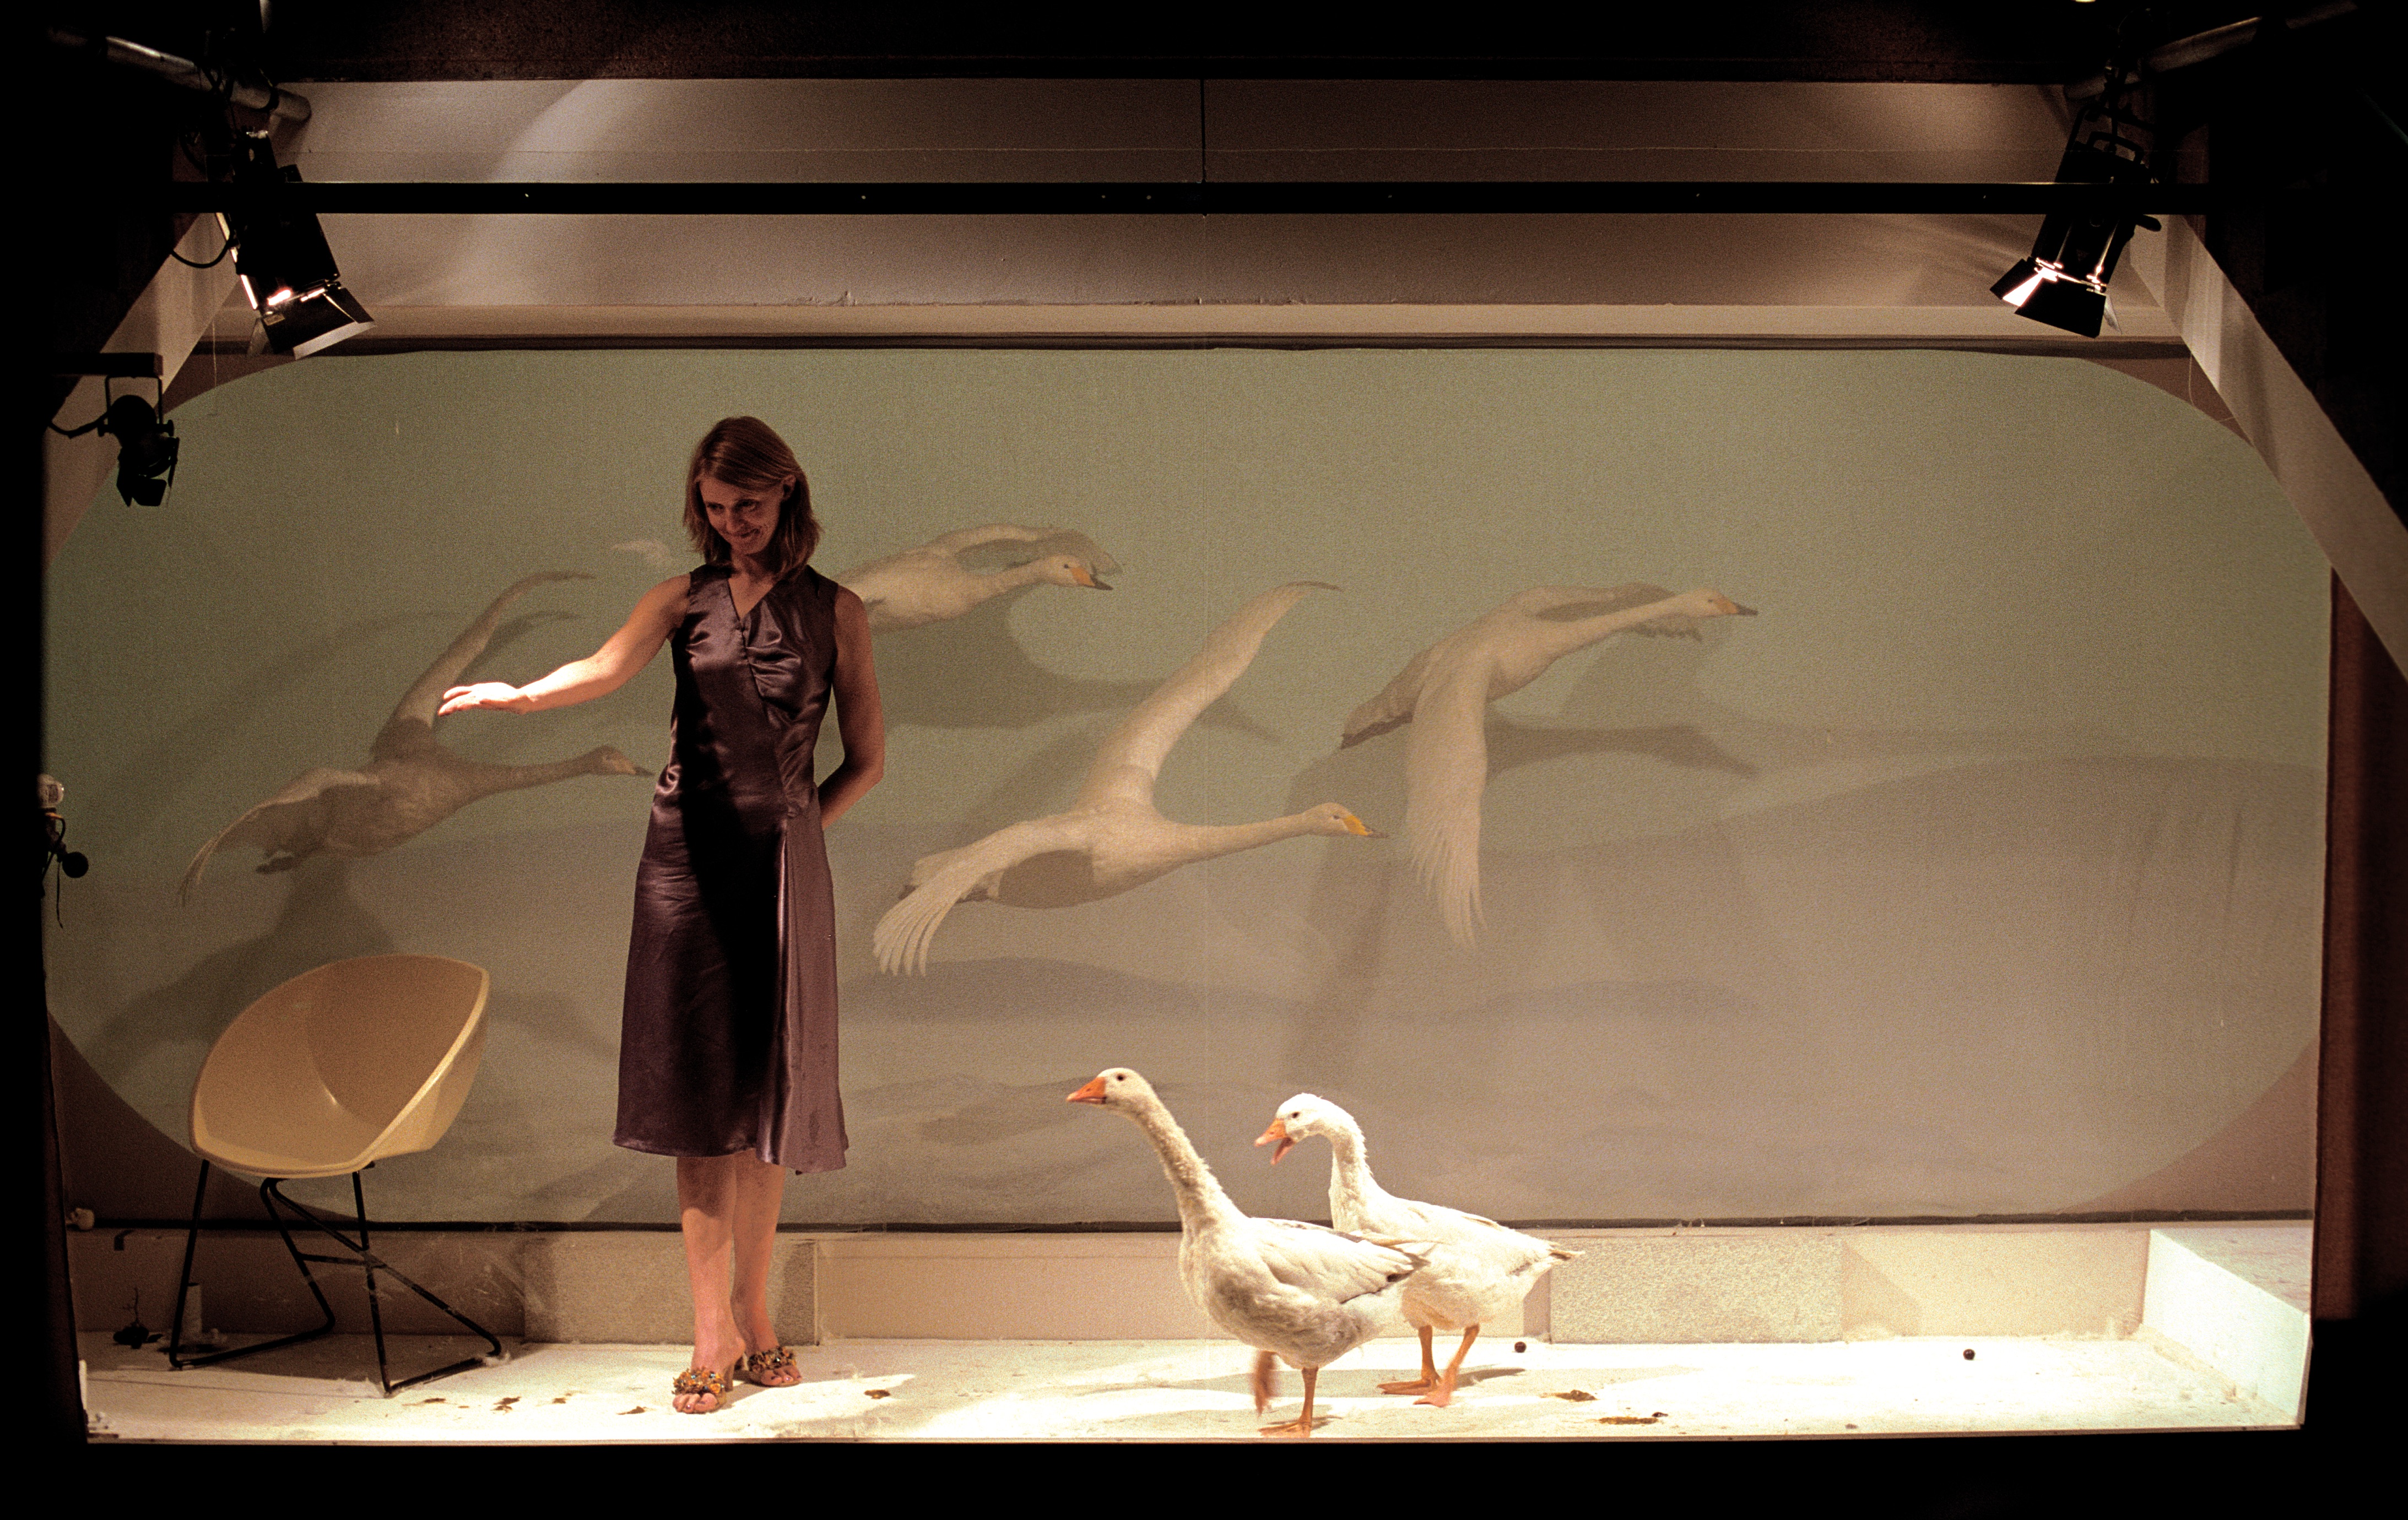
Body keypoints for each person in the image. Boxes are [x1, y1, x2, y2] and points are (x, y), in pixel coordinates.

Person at [440, 416, 885, 1413]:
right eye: (717, 509)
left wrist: (799, 834)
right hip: (685, 867)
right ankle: (710, 1327)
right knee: (699, 1099)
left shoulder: (840, 612)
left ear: (787, 493)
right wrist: (522, 698)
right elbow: (603, 669)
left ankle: (756, 1313)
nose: (733, 524)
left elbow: (868, 759)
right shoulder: (683, 600)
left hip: (784, 879)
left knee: (770, 1098)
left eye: (749, 506)